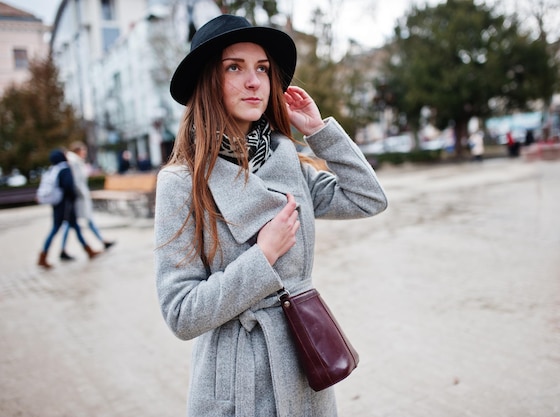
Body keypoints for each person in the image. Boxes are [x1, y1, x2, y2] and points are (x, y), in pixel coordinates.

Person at [154, 14, 388, 417]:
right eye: (235, 67)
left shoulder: (287, 161)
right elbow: (180, 313)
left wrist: (319, 131)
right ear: (207, 82)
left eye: (262, 68)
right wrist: (261, 259)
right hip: (236, 387)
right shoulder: (181, 182)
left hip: (303, 368)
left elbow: (368, 198)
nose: (254, 81)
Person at [38, 149, 100, 269]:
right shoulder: (64, 169)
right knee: (58, 229)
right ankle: (43, 256)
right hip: (66, 205)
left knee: (74, 227)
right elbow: (68, 186)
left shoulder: (54, 169)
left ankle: (89, 251)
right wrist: (73, 197)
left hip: (57, 205)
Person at [59, 141, 115, 261]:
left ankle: (101, 241)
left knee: (79, 222)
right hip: (78, 198)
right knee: (71, 223)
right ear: (77, 151)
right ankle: (64, 249)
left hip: (79, 197)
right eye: (83, 151)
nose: (84, 153)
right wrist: (82, 195)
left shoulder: (75, 161)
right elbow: (76, 181)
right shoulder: (74, 162)